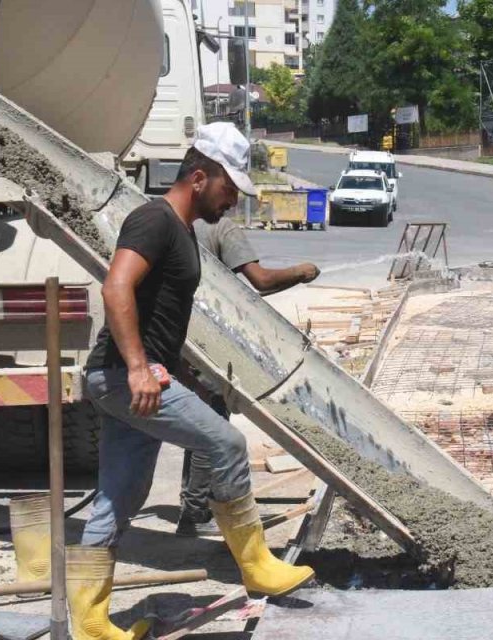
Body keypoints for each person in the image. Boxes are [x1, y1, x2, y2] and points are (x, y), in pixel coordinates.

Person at [73, 122, 315, 640]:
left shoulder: (181, 231)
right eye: (231, 189)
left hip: (133, 375)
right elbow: (116, 287)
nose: (234, 202)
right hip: (122, 376)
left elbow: (156, 311)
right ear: (200, 176)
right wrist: (139, 367)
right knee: (226, 442)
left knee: (120, 496)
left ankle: (90, 624)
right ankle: (255, 565)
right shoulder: (153, 219)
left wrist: (172, 367)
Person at [177, 217, 319, 537]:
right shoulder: (220, 227)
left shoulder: (174, 218)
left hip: (182, 333)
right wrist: (301, 272)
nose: (230, 201)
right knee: (211, 422)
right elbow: (262, 280)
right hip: (208, 336)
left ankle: (196, 503)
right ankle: (195, 512)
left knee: (202, 420)